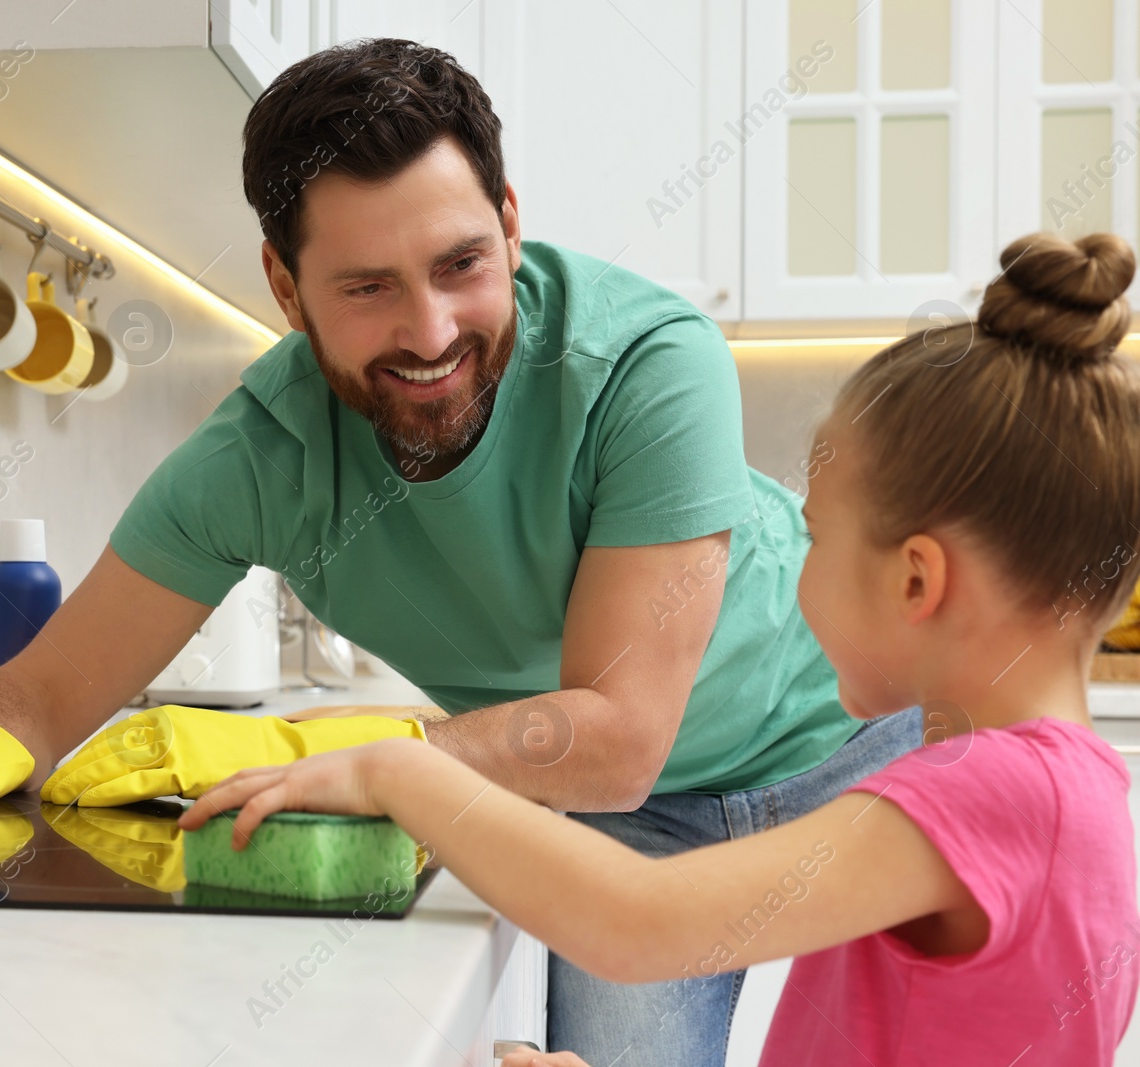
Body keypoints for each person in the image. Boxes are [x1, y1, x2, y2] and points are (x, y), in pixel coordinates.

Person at [0, 39, 920, 1063]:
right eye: (368, 288)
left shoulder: (645, 365)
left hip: (860, 749)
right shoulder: (260, 455)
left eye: (461, 265)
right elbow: (44, 689)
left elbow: (620, 733)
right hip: (627, 819)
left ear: (512, 224)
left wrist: (334, 743)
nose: (430, 334)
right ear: (285, 289)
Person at [181, 231, 1140, 1066]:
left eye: (816, 537)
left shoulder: (996, 797)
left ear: (917, 581)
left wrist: (402, 770)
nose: (792, 571)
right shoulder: (1057, 793)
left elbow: (640, 925)